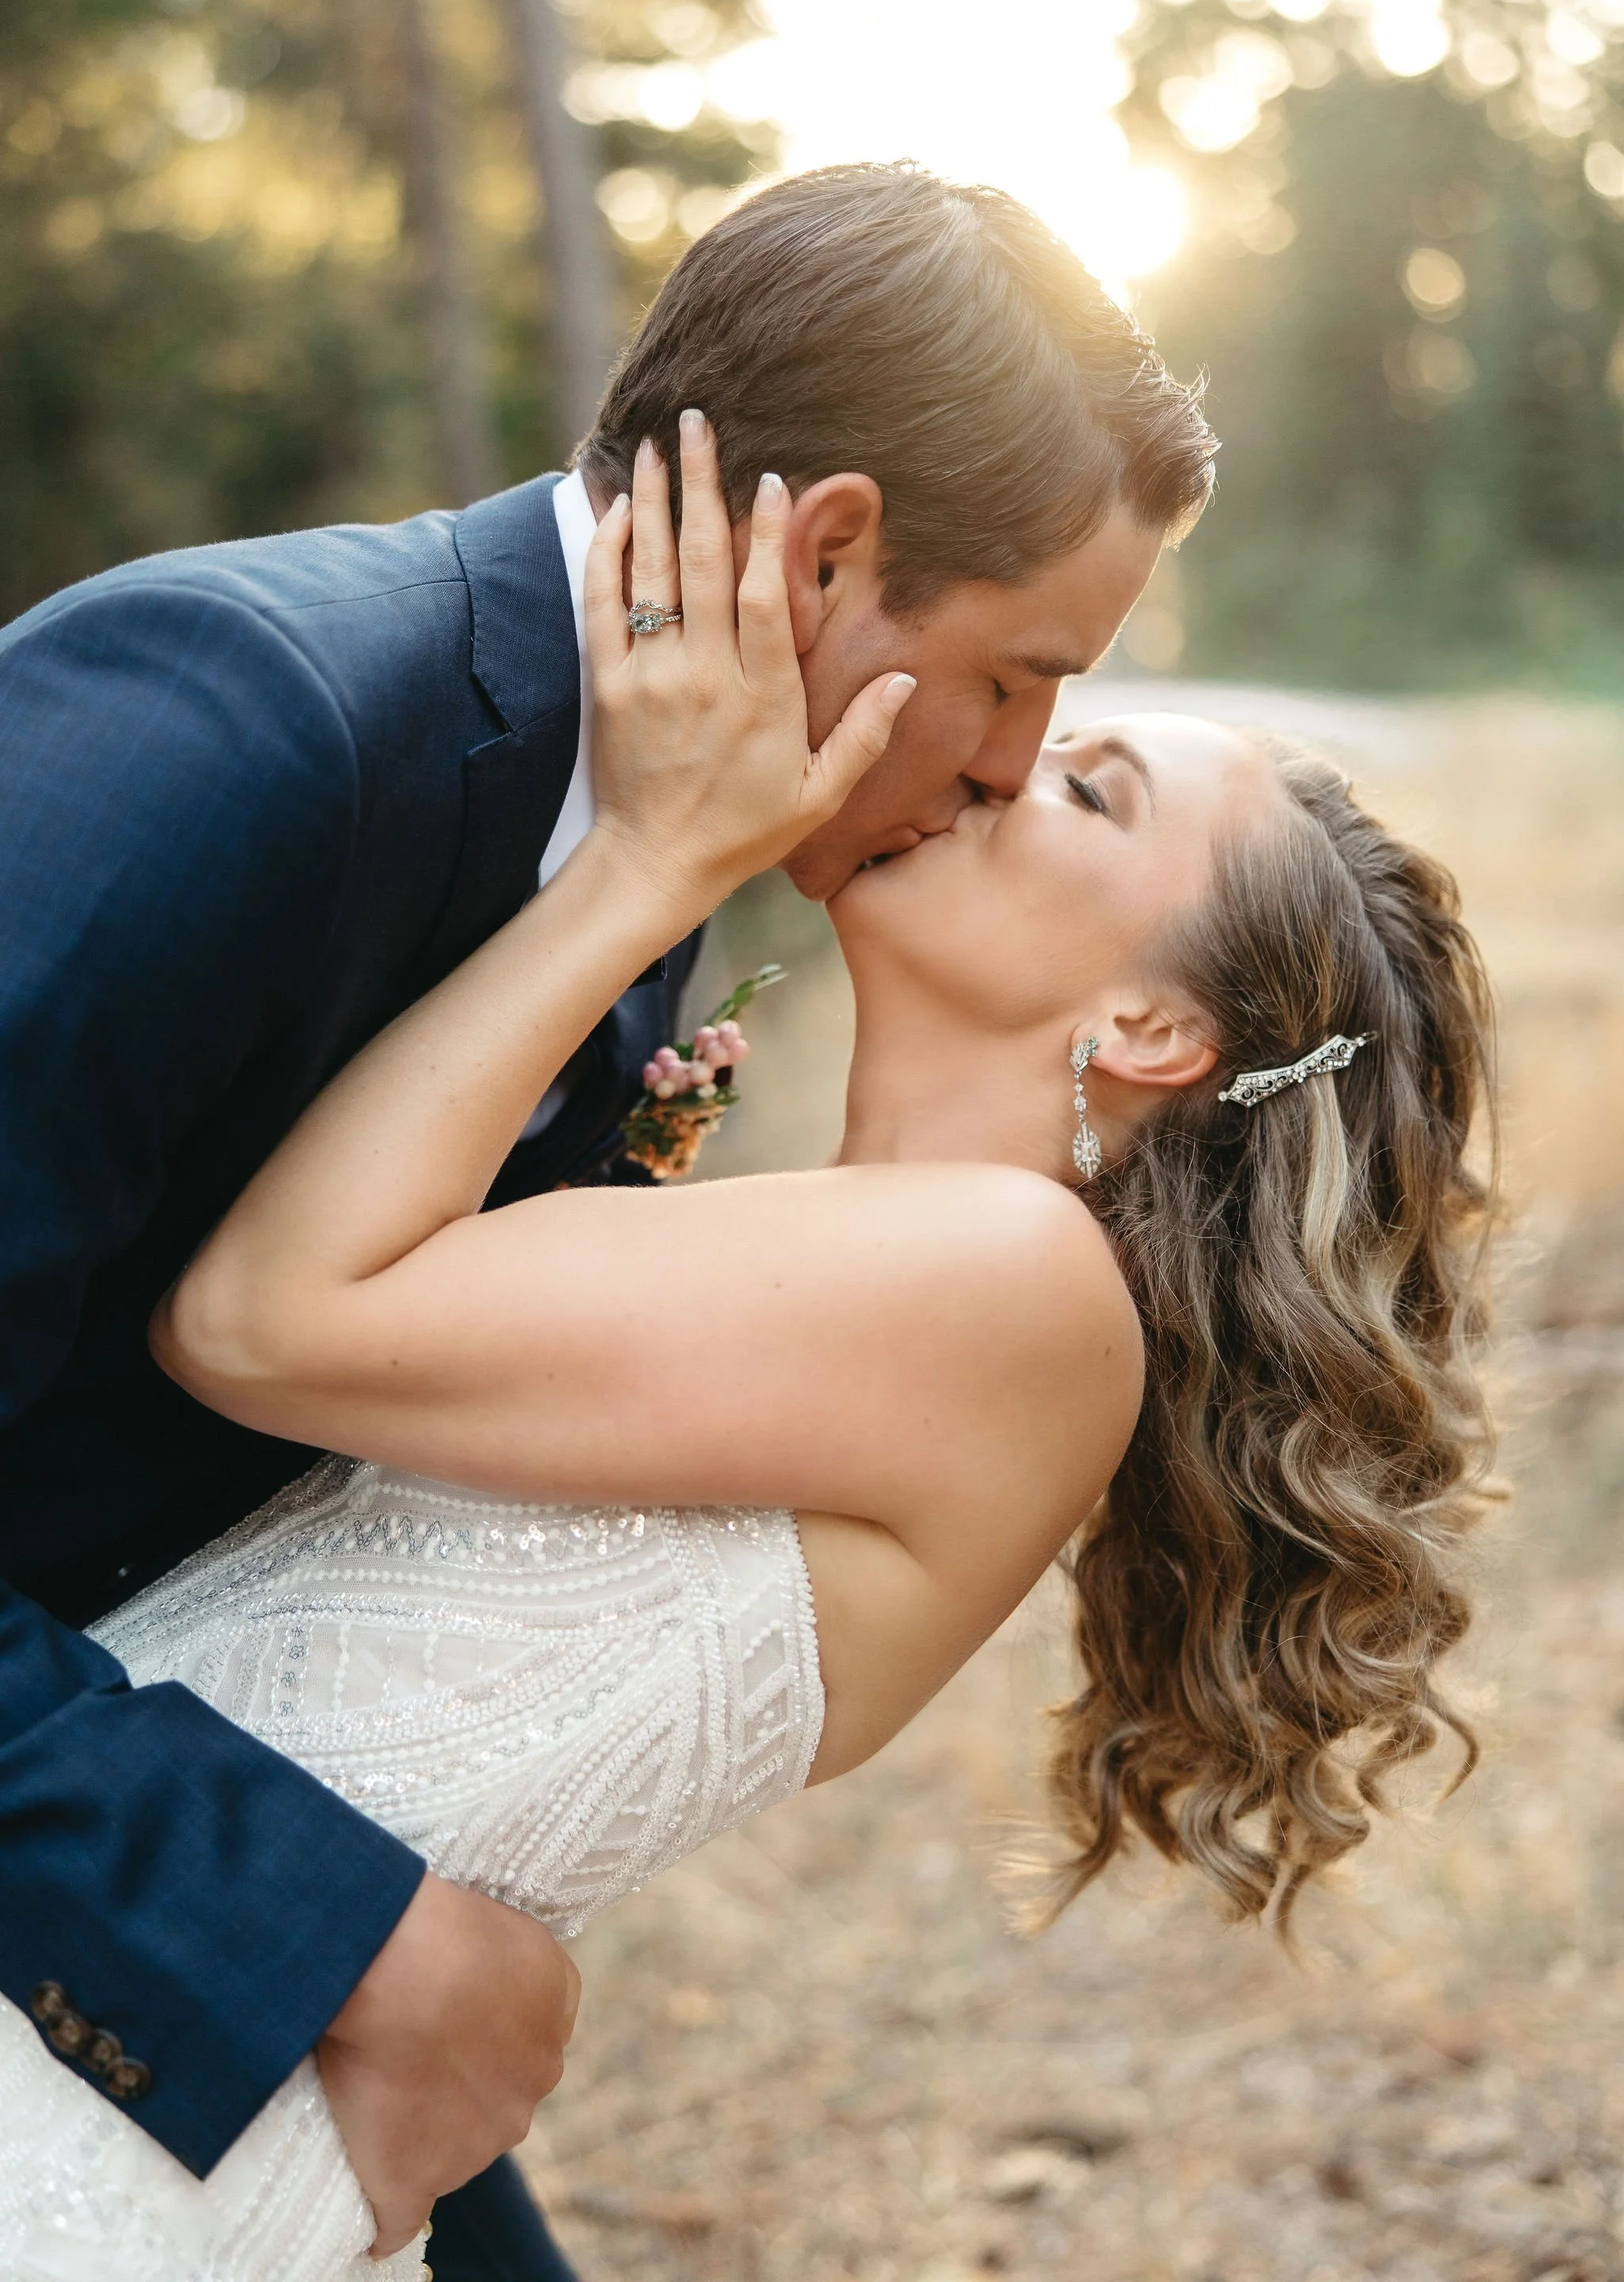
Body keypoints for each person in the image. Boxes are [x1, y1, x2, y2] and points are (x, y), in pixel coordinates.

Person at [0, 420, 1495, 2279]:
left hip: (148, 2086)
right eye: (1024, 703)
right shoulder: (867, 1259)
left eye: (1087, 787)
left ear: (1149, 1023)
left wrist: (644, 866)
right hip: (178, 2005)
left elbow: (255, 1321)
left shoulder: (1013, 1287)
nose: (1002, 764)